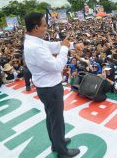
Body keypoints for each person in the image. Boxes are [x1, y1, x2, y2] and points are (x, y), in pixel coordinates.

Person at [23, 12, 83, 158]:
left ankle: (57, 143)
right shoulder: (34, 47)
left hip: (46, 87)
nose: (46, 28)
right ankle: (62, 151)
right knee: (57, 120)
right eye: (44, 25)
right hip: (50, 88)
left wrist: (72, 45)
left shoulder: (35, 41)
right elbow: (57, 66)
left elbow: (53, 46)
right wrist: (64, 49)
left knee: (52, 118)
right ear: (36, 27)